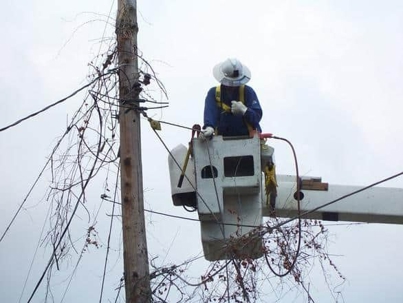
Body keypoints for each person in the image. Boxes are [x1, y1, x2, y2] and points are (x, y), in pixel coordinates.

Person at [201, 58, 263, 139]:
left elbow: (257, 117)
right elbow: (210, 113)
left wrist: (245, 111)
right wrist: (209, 127)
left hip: (249, 140)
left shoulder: (247, 92)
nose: (232, 86)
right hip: (220, 143)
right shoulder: (214, 93)